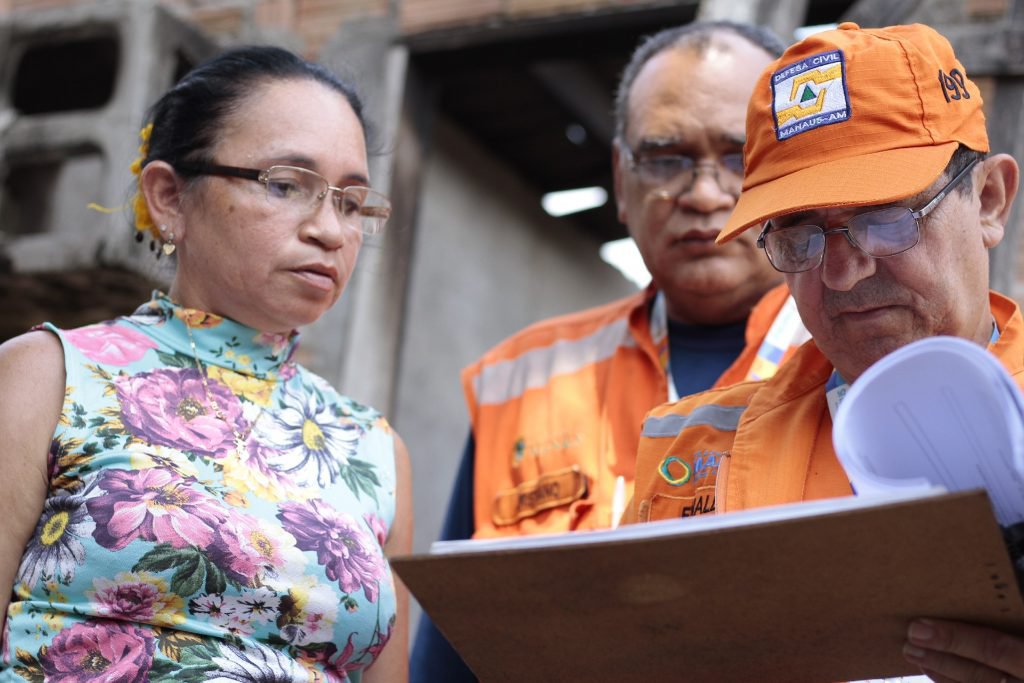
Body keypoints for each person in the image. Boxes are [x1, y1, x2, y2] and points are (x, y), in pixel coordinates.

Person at [412, 20, 807, 681]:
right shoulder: (522, 378)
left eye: (740, 157)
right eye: (666, 157)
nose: (705, 193)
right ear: (621, 183)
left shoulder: (860, 367)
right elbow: (448, 662)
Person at [628, 22, 1024, 681]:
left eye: (885, 217)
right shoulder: (688, 453)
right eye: (799, 234)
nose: (840, 272)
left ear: (989, 199)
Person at [0, 46, 410, 682]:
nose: (330, 230)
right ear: (169, 198)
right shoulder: (47, 376)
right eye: (285, 184)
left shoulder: (374, 452)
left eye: (352, 203)